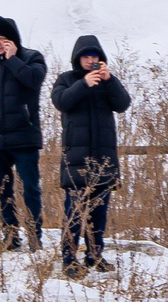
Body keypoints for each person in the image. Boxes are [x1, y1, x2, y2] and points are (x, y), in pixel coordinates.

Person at [50, 34, 131, 274]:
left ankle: (94, 255)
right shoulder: (66, 80)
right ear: (78, 58)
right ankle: (69, 259)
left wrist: (110, 80)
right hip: (76, 159)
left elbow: (123, 104)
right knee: (74, 211)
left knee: (99, 211)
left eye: (95, 56)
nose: (91, 60)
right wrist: (84, 83)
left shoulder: (107, 83)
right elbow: (61, 102)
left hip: (103, 158)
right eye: (86, 56)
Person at [0, 14, 47, 250]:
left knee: (30, 189)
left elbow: (34, 81)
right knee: (4, 191)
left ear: (12, 39)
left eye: (2, 38)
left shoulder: (32, 58)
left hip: (24, 137)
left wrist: (13, 60)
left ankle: (35, 238)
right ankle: (10, 238)